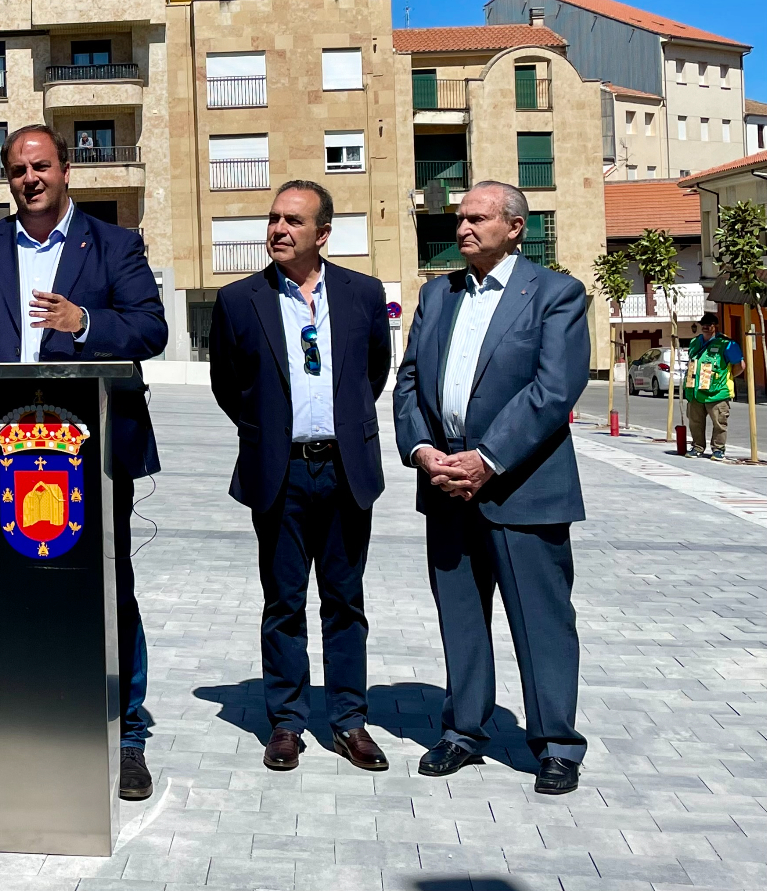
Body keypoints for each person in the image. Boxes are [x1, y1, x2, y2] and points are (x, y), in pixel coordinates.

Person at [0, 124, 167, 799]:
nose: (30, 178)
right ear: (8, 178)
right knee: (17, 582)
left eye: (42, 166)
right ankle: (33, 718)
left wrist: (82, 322)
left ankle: (126, 728)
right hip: (3, 450)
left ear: (64, 172)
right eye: (18, 169)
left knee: (106, 582)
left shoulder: (113, 245)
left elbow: (151, 328)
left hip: (89, 448)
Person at [394, 180, 590, 795]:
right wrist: (423, 450)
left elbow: (554, 390)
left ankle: (556, 744)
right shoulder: (436, 294)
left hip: (522, 488)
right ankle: (463, 731)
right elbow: (407, 382)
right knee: (460, 618)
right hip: (446, 487)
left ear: (514, 227)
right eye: (459, 220)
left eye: (477, 218)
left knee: (541, 620)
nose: (462, 229)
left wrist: (487, 458)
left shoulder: (554, 293)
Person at [208, 180, 393, 772]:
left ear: (323, 234)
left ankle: (349, 721)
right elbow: (227, 385)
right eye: (273, 219)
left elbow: (373, 372)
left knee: (345, 602)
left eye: (293, 220)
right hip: (280, 473)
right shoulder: (240, 301)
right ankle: (285, 722)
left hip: (344, 470)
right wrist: (267, 431)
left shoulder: (362, 295)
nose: (279, 230)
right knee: (282, 602)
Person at [682, 313, 744, 462]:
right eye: (703, 324)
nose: (705, 326)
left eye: (709, 324)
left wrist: (726, 378)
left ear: (715, 326)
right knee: (695, 422)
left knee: (719, 423)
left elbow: (740, 366)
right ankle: (697, 447)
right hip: (695, 392)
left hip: (717, 392)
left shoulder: (727, 344)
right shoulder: (694, 342)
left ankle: (718, 450)